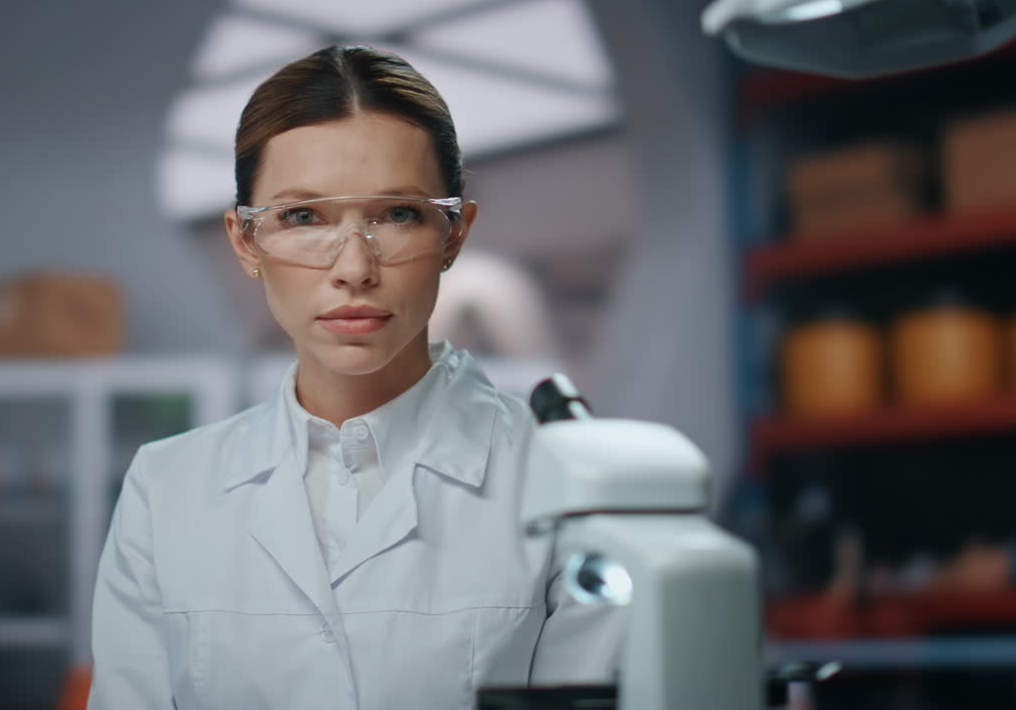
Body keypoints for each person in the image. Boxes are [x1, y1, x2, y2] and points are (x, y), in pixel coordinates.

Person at [87, 44, 624, 709]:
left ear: (454, 234)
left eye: (397, 215)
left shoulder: (565, 482)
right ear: (244, 241)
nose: (353, 268)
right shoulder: (164, 491)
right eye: (302, 217)